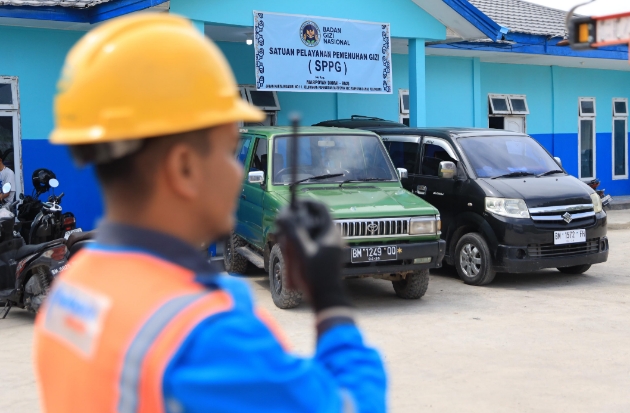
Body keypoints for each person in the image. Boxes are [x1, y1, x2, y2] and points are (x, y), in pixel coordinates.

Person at [33, 13, 386, 413]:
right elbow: (355, 404)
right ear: (185, 168)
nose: (238, 170)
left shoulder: (73, 287)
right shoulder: (209, 334)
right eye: (229, 150)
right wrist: (330, 294)